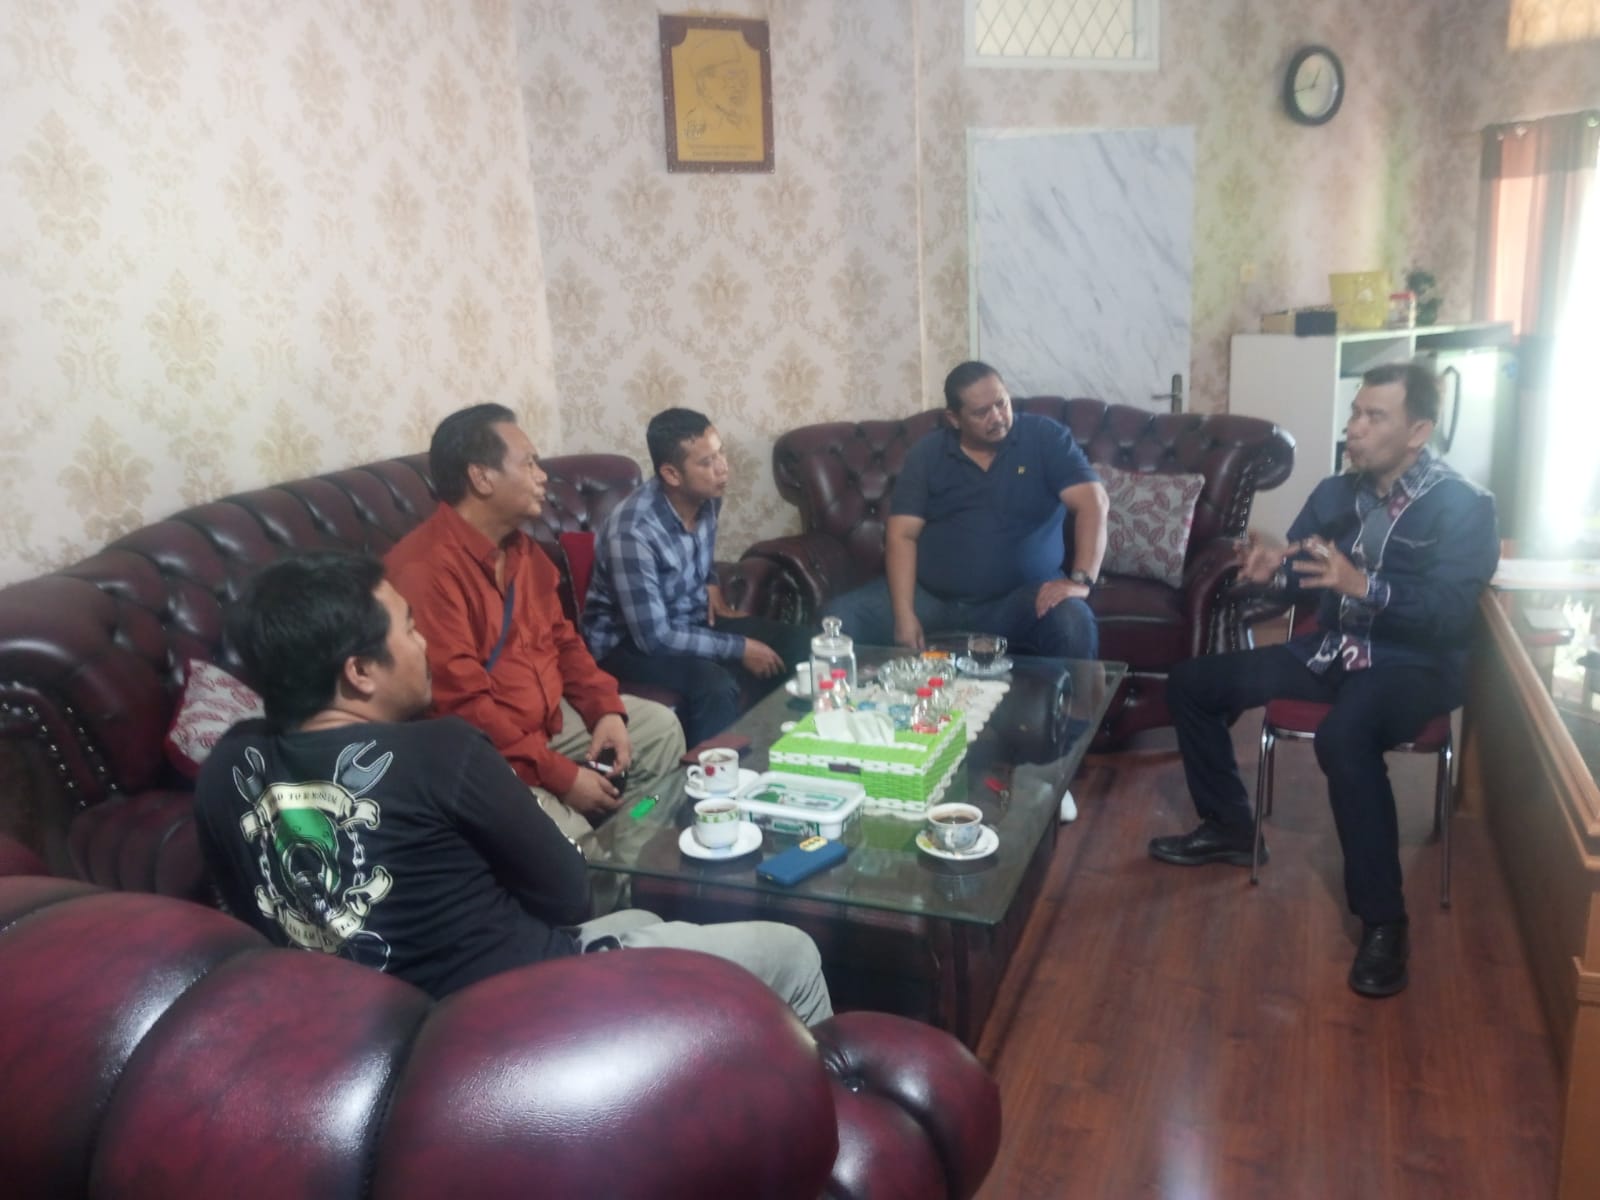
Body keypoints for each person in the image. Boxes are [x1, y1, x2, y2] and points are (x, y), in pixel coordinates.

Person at [193, 551, 832, 1024]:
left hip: (388, 1034)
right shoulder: (440, 751)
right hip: (534, 1016)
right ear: (360, 672)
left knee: (642, 917)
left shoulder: (227, 768)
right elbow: (570, 894)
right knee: (794, 953)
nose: (423, 644)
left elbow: (254, 913)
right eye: (409, 629)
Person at [1148, 361, 1499, 999]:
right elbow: (1301, 575)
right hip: (1331, 650)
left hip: (1410, 665)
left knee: (1345, 736)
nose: (1353, 427)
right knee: (1192, 684)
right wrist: (1271, 572)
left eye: (1373, 416)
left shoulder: (1464, 506)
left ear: (1417, 432)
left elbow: (1450, 613)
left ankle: (1385, 922)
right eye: (1355, 412)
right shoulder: (1336, 493)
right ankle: (1229, 827)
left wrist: (1366, 586)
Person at [386, 404, 684, 844]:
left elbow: (564, 642)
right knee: (570, 839)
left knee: (658, 730)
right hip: (486, 750)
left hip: (546, 721)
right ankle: (600, 874)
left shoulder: (521, 549)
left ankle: (630, 858)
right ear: (481, 478)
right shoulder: (425, 570)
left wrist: (605, 709)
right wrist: (563, 776)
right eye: (529, 464)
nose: (543, 476)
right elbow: (463, 710)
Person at [823, 361, 1107, 659]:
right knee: (839, 618)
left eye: (1001, 403)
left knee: (1073, 623)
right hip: (933, 598)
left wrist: (1081, 582)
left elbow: (1093, 502)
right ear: (954, 418)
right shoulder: (927, 454)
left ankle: (1075, 693)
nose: (997, 417)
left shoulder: (1045, 437)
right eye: (981, 412)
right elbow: (902, 535)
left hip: (1022, 599)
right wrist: (904, 615)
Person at [582, 408, 811, 744]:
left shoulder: (707, 497)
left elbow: (697, 554)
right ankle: (713, 774)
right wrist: (739, 648)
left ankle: (787, 748)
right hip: (628, 645)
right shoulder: (632, 533)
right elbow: (654, 638)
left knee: (803, 643)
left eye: (721, 453)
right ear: (672, 474)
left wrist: (712, 582)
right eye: (707, 462)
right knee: (715, 684)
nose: (723, 467)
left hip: (688, 621)